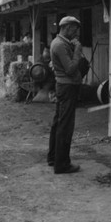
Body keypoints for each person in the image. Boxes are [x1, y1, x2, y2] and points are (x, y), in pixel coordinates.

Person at [47, 16, 83, 174]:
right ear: (67, 28)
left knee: (58, 122)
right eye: (74, 29)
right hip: (67, 87)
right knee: (65, 126)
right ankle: (62, 164)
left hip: (63, 86)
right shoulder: (61, 45)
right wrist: (77, 51)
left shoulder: (59, 42)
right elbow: (70, 69)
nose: (76, 33)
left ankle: (53, 157)